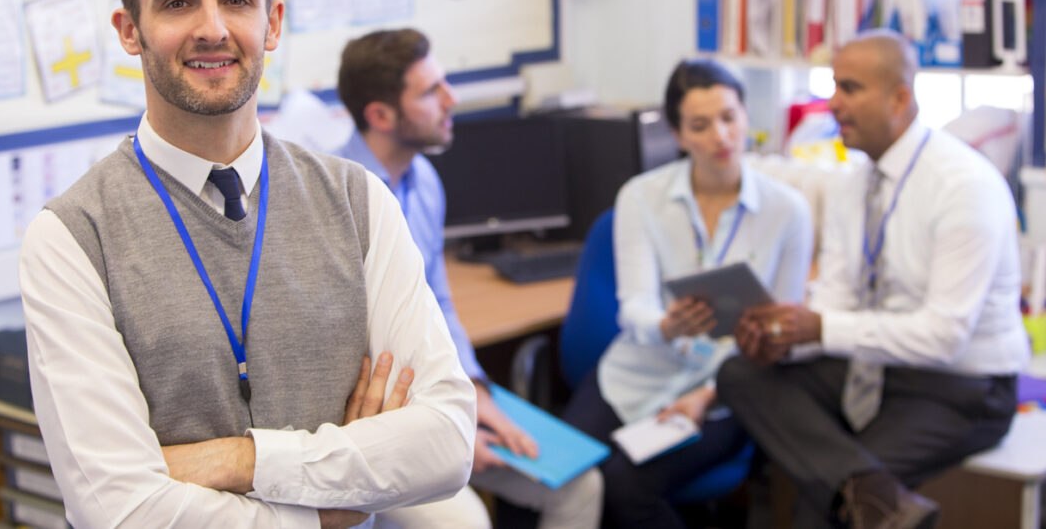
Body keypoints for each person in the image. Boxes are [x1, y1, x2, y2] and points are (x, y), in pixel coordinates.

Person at [19, 0, 476, 529]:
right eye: (178, 1)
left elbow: (446, 444)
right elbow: (117, 509)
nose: (213, 27)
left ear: (272, 22)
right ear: (131, 31)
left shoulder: (358, 201)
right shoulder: (71, 237)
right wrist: (324, 513)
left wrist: (240, 460)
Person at [718, 29, 1030, 529]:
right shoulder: (854, 183)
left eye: (851, 89)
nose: (833, 104)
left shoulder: (963, 186)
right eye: (834, 86)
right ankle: (883, 504)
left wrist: (819, 329)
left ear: (901, 98)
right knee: (741, 373)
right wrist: (785, 340)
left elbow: (944, 337)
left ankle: (860, 497)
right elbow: (837, 301)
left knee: (818, 510)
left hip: (962, 387)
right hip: (877, 367)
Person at [335, 28, 603, 529]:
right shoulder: (336, 196)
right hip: (374, 420)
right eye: (431, 91)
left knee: (579, 486)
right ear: (380, 116)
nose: (451, 100)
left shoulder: (425, 181)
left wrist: (476, 393)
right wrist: (446, 427)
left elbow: (438, 302)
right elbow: (350, 353)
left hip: (439, 394)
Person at [560, 59, 813, 527]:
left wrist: (710, 396)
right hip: (635, 374)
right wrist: (665, 325)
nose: (720, 136)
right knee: (560, 475)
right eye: (701, 125)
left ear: (745, 118)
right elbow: (633, 307)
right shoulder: (641, 196)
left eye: (729, 118)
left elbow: (781, 333)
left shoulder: (787, 211)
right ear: (678, 135)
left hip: (726, 389)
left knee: (623, 487)